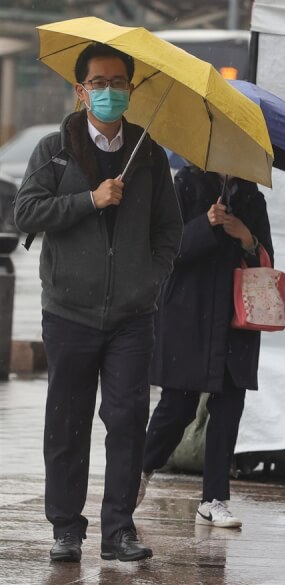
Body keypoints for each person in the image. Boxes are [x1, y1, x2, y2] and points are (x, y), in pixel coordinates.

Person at [14, 43, 182, 562]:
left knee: (128, 419)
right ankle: (66, 528)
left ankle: (119, 531)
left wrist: (149, 280)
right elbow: (26, 212)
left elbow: (168, 229)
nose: (108, 92)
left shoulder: (148, 153)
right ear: (80, 89)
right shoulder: (54, 149)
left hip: (132, 316)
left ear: (131, 90)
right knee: (67, 421)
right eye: (98, 83)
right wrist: (91, 199)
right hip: (69, 312)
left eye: (117, 83)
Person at [137, 164, 273, 528]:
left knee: (228, 408)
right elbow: (166, 250)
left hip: (234, 323)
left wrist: (247, 238)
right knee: (176, 406)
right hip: (189, 316)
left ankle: (214, 499)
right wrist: (206, 224)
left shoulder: (252, 198)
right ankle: (140, 471)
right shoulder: (183, 186)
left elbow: (266, 261)